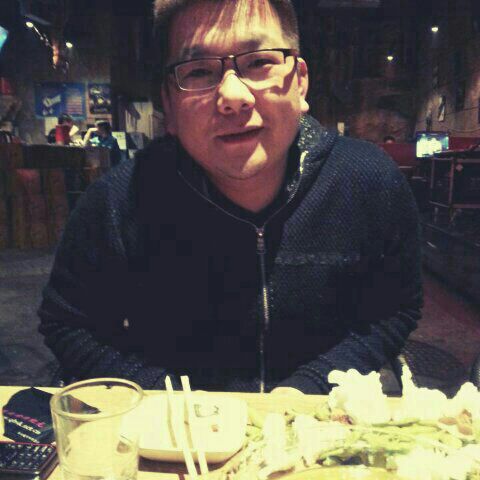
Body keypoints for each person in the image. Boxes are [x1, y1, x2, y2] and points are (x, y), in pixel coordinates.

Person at [38, 0, 423, 394]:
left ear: (300, 82)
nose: (234, 96)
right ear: (168, 104)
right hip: (175, 425)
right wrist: (168, 398)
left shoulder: (368, 181)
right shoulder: (119, 200)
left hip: (321, 419)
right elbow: (68, 323)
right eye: (198, 71)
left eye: (259, 62)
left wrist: (306, 390)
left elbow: (393, 311)